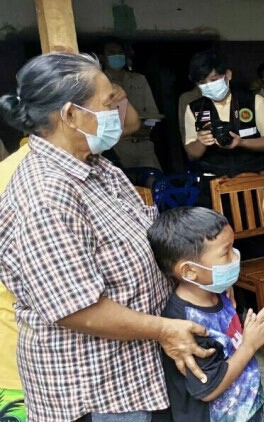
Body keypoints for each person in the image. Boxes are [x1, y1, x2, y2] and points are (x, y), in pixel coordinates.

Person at [0, 52, 214, 422]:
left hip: (138, 373)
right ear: (70, 115)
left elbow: (148, 238)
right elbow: (75, 308)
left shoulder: (100, 169)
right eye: (106, 103)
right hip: (95, 389)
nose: (117, 112)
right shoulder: (44, 195)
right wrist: (165, 329)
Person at [147, 207, 264, 422]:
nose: (235, 257)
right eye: (225, 252)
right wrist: (250, 344)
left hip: (245, 409)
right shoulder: (186, 324)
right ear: (190, 271)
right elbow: (208, 388)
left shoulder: (218, 292)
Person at [184, 50, 264, 179]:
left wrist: (242, 142)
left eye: (214, 79)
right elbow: (192, 154)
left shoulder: (254, 101)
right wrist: (201, 142)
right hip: (214, 183)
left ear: (228, 75)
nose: (209, 86)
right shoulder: (194, 109)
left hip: (252, 178)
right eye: (202, 83)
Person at [102, 38, 164, 169]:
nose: (117, 55)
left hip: (144, 143)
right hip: (117, 146)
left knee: (154, 184)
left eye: (120, 52)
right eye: (112, 52)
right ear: (103, 58)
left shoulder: (139, 80)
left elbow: (152, 112)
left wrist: (148, 127)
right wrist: (129, 131)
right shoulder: (100, 83)